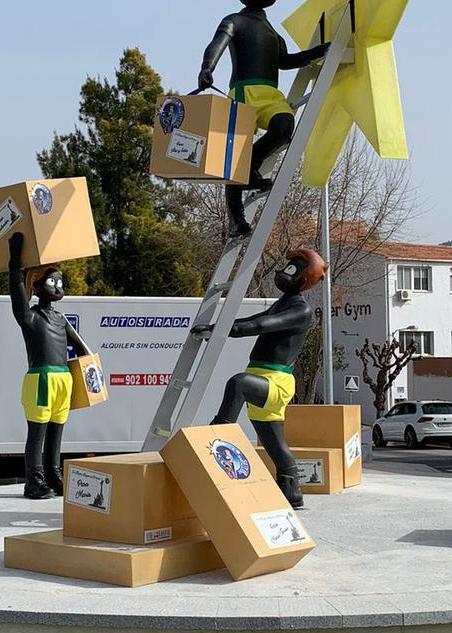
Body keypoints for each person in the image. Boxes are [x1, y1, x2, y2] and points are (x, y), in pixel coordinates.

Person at [192, 248, 328, 508]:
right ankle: (292, 492)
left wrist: (222, 331)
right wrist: (215, 328)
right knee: (274, 444)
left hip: (276, 382)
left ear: (302, 278)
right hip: (262, 376)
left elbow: (260, 326)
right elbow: (255, 319)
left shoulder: (301, 310)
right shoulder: (283, 304)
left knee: (238, 384)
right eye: (287, 267)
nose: (284, 272)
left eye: (291, 269)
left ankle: (216, 441)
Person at [199, 0, 330, 238]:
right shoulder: (234, 21)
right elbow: (216, 44)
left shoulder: (272, 33)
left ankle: (251, 168)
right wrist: (207, 68)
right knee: (233, 159)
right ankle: (237, 219)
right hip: (243, 93)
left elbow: (285, 61)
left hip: (270, 95)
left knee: (284, 127)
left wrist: (316, 53)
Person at [8, 233, 89, 499]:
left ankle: (54, 475)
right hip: (41, 380)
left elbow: (82, 349)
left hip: (64, 379)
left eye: (60, 281)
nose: (57, 286)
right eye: (52, 281)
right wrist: (14, 264)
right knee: (38, 432)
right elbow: (18, 297)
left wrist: (91, 371)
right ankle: (34, 480)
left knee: (57, 429)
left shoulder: (60, 319)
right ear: (38, 286)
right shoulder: (30, 316)